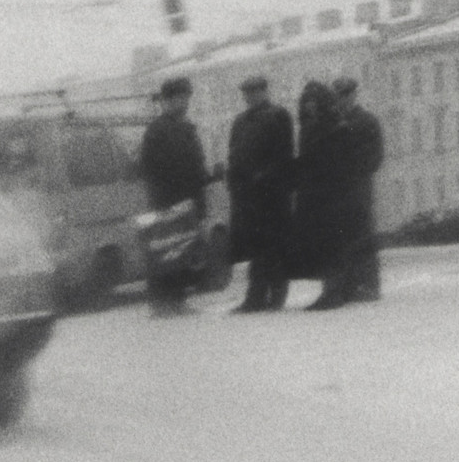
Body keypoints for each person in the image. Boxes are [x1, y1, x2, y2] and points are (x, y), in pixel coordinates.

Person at [138, 76, 211, 317]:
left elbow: (194, 165)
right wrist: (169, 201)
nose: (186, 103)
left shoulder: (185, 127)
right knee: (166, 252)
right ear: (168, 100)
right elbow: (152, 169)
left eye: (187, 98)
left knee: (179, 252)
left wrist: (203, 184)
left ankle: (175, 301)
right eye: (182, 98)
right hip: (170, 202)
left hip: (184, 201)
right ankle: (164, 303)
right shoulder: (158, 130)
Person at [226, 74, 295, 313]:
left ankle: (276, 295)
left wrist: (264, 177)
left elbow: (284, 155)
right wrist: (234, 184)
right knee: (256, 249)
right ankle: (255, 297)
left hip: (272, 195)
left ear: (265, 91)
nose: (249, 97)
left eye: (254, 92)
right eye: (246, 93)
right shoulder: (240, 121)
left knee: (274, 246)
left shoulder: (278, 115)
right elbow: (233, 155)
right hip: (248, 196)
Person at [293, 80, 358, 311]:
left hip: (330, 195)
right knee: (322, 245)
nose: (310, 106)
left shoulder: (335, 127)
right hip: (314, 195)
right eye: (307, 102)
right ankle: (331, 290)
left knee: (332, 244)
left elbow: (341, 162)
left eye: (314, 101)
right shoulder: (309, 127)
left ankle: (334, 292)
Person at [332, 77, 386, 303]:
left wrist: (355, 169)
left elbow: (376, 156)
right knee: (343, 237)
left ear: (353, 95)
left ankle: (369, 285)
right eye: (338, 96)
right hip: (338, 189)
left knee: (363, 235)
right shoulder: (332, 122)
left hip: (359, 186)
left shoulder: (367, 121)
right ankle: (348, 285)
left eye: (345, 95)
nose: (342, 100)